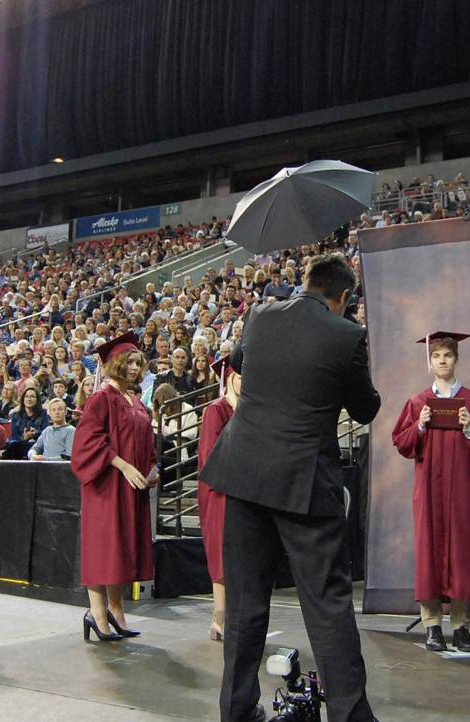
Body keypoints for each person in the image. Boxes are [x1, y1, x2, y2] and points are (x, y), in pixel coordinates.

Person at [200, 255, 381, 722]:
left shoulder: (259, 315)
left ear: (305, 283)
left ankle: (237, 712)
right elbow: (365, 409)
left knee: (243, 603)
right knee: (327, 605)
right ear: (343, 297)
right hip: (303, 483)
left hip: (243, 475)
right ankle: (350, 715)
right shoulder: (347, 335)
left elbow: (240, 363)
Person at [391, 332, 470, 654]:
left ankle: (462, 628)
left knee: (462, 555)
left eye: (447, 356)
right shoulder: (418, 404)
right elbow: (401, 441)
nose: (442, 360)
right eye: (437, 356)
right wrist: (420, 426)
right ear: (429, 363)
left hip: (461, 492)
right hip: (427, 491)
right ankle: (432, 628)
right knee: (429, 555)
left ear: (456, 360)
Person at [71, 331, 158, 643]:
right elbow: (87, 443)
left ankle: (116, 610)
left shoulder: (134, 400)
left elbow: (146, 441)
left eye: (138, 362)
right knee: (103, 549)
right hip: (106, 487)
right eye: (128, 362)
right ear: (114, 364)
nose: (134, 367)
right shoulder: (101, 398)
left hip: (131, 487)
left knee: (120, 552)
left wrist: (151, 468)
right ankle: (96, 613)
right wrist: (122, 465)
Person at [197, 355, 239, 642]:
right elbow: (212, 456)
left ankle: (236, 618)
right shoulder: (217, 410)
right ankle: (219, 618)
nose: (246, 379)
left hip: (247, 493)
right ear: (229, 378)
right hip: (221, 493)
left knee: (240, 558)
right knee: (223, 558)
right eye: (240, 374)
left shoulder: (252, 410)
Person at [8, 387, 48, 459]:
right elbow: (14, 435)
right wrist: (24, 438)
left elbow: (46, 433)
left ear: (37, 399)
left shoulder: (43, 413)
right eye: (26, 396)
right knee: (13, 445)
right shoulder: (16, 415)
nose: (29, 399)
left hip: (37, 446)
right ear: (23, 399)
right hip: (19, 446)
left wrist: (35, 433)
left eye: (32, 397)